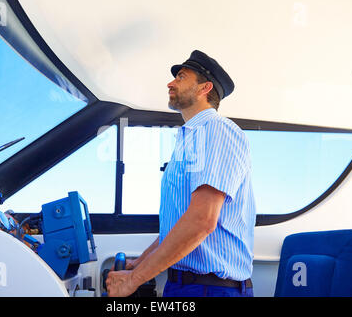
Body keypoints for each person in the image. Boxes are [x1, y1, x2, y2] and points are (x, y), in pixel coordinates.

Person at [106, 50, 256, 297]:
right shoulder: (190, 139)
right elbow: (178, 226)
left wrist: (133, 280)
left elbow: (201, 221)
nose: (170, 82)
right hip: (184, 286)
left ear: (204, 88)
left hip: (211, 290)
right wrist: (140, 263)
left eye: (181, 77)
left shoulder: (216, 130)